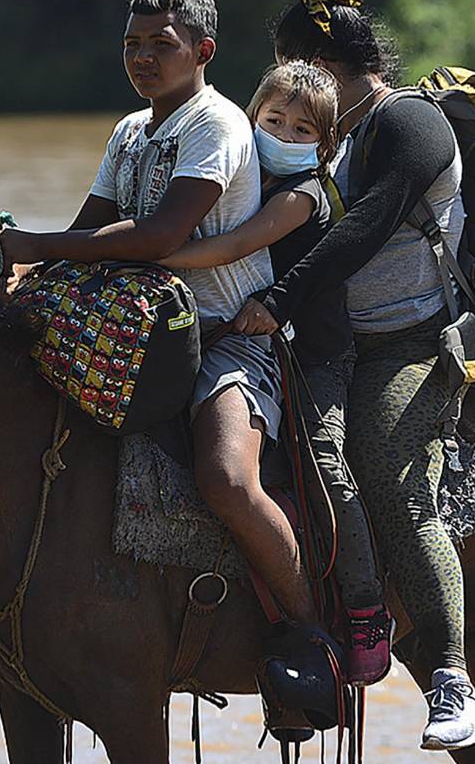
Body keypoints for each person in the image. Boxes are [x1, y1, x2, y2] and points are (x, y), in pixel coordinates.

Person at [0, 0, 317, 627]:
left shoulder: (217, 125)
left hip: (227, 338)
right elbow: (89, 228)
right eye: (131, 43)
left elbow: (161, 234)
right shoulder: (130, 132)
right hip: (138, 332)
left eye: (160, 44)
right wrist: (26, 267)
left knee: (226, 480)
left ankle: (309, 628)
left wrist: (34, 241)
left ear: (203, 50)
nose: (142, 56)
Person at [229, 0, 475, 751]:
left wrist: (274, 303)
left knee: (380, 463)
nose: (291, 98)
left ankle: (450, 676)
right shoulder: (314, 134)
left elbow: (361, 230)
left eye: (303, 77)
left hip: (407, 343)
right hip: (326, 340)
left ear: (327, 67)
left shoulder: (411, 126)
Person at [160, 60, 392, 685]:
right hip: (237, 331)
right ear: (249, 117)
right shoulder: (232, 172)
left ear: (326, 144)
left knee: (324, 460)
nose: (284, 137)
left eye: (301, 130)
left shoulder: (301, 194)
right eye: (274, 122)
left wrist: (143, 251)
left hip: (313, 351)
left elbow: (234, 248)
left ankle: (363, 610)